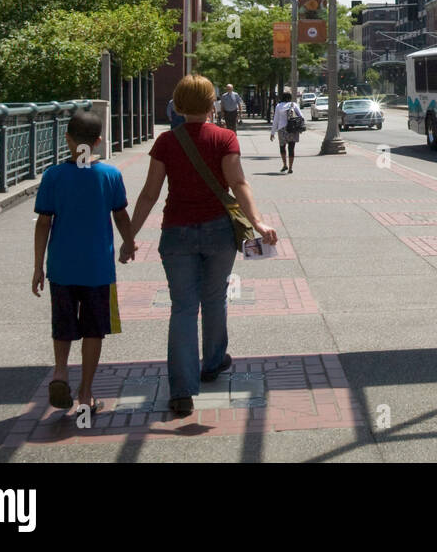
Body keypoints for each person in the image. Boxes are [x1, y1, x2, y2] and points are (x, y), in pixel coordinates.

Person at [128, 74, 278, 418]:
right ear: (212, 105)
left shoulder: (166, 142)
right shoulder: (225, 137)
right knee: (214, 297)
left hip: (176, 232)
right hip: (218, 232)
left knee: (182, 307)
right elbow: (238, 183)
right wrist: (258, 222)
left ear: (178, 107)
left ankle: (181, 392)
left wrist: (130, 235)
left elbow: (150, 193)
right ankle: (211, 363)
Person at [32, 110, 136, 415]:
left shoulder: (53, 175)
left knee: (63, 325)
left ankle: (60, 372)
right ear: (99, 142)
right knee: (94, 330)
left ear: (67, 139)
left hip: (61, 267)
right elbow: (120, 215)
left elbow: (43, 222)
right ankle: (86, 393)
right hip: (98, 268)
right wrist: (129, 243)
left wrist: (38, 266)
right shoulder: (110, 176)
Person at [271, 91, 304, 173]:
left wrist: (272, 133)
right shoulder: (294, 105)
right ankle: (290, 168)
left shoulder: (279, 106)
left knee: (282, 147)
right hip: (292, 129)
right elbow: (301, 116)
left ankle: (285, 165)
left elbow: (275, 120)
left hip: (282, 129)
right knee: (291, 148)